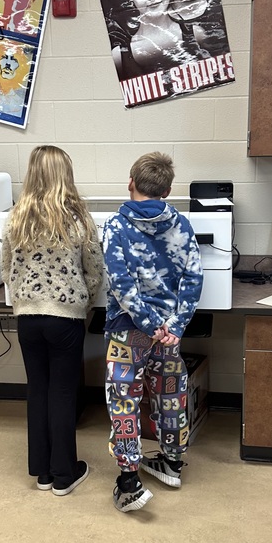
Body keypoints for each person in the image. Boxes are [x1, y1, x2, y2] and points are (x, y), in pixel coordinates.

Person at [102, 152, 203, 513]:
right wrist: (173, 327)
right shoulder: (182, 225)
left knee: (125, 400)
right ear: (168, 189)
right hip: (168, 336)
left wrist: (148, 324)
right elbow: (193, 279)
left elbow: (120, 284)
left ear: (131, 182)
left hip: (130, 331)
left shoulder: (116, 226)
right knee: (170, 394)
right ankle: (172, 463)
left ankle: (129, 480)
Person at [1, 145, 104, 496]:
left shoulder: (16, 217)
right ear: (66, 175)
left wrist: (21, 296)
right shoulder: (77, 218)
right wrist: (83, 301)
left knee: (38, 391)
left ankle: (42, 472)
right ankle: (64, 474)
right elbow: (94, 269)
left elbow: (6, 267)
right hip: (65, 319)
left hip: (27, 318)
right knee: (62, 393)